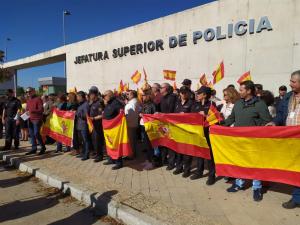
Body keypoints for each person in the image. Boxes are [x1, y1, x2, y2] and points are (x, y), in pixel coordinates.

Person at [222, 80, 272, 201]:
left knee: (255, 164)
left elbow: (267, 122)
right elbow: (231, 119)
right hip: (239, 141)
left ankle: (257, 187)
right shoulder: (238, 103)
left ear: (249, 91)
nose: (239, 92)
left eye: (241, 90)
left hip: (255, 141)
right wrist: (219, 125)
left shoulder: (260, 104)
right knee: (240, 163)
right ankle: (239, 183)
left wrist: (257, 128)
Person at [267, 70, 300, 209]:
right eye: (290, 81)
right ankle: (297, 197)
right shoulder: (287, 97)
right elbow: (281, 115)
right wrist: (274, 122)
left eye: (293, 81)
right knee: (295, 168)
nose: (290, 83)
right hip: (291, 140)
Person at [188, 86, 217, 185]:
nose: (197, 95)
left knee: (209, 155)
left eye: (199, 93)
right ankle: (199, 172)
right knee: (199, 152)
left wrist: (205, 115)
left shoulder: (212, 105)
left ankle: (211, 175)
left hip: (208, 133)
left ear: (204, 95)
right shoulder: (195, 105)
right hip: (198, 133)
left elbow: (216, 120)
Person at [173, 86, 194, 177]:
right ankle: (179, 167)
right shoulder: (177, 103)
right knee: (179, 150)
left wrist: (185, 115)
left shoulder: (191, 103)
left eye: (185, 92)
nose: (184, 94)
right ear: (180, 93)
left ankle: (187, 169)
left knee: (187, 152)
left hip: (187, 131)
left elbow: (194, 117)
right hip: (178, 130)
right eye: (182, 92)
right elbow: (173, 115)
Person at [102, 90, 124, 170]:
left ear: (109, 95)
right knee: (109, 144)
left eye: (105, 96)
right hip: (108, 128)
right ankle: (111, 159)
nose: (104, 97)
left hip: (114, 128)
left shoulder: (117, 103)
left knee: (115, 145)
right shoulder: (108, 103)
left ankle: (119, 162)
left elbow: (121, 114)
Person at [159, 83, 178, 169]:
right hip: (164, 123)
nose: (160, 89)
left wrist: (161, 114)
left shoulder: (172, 97)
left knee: (171, 144)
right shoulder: (163, 98)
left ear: (166, 88)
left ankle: (172, 162)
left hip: (171, 124)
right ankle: (165, 160)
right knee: (165, 143)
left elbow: (170, 112)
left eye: (161, 87)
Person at [139, 88, 157, 170]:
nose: (142, 97)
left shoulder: (152, 105)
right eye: (142, 95)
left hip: (149, 127)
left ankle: (152, 162)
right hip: (143, 126)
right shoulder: (144, 104)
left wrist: (144, 115)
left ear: (148, 96)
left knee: (150, 145)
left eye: (143, 96)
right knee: (146, 145)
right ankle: (148, 160)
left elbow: (154, 117)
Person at [25, 87, 46, 155]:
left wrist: (31, 111)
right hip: (29, 119)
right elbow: (27, 110)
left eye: (29, 91)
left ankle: (43, 147)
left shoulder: (38, 99)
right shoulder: (28, 100)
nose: (28, 93)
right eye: (27, 92)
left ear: (33, 91)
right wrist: (25, 113)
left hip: (37, 119)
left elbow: (41, 110)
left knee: (36, 133)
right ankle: (34, 149)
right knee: (31, 135)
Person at [88, 86, 105, 163]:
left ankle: (100, 156)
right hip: (92, 125)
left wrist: (94, 118)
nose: (90, 95)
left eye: (91, 94)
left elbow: (102, 115)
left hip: (98, 125)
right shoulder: (91, 103)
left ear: (95, 94)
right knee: (94, 140)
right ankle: (96, 153)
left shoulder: (99, 103)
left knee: (98, 141)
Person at [124, 90, 140, 158]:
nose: (127, 96)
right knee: (132, 140)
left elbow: (131, 114)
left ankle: (131, 155)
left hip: (131, 124)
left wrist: (125, 121)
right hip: (132, 123)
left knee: (131, 140)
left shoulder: (133, 103)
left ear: (132, 95)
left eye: (128, 94)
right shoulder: (132, 102)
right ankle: (132, 153)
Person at [76, 91, 90, 161]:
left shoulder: (86, 104)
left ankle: (86, 154)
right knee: (81, 141)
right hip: (79, 125)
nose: (77, 98)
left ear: (82, 97)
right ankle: (83, 152)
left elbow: (86, 115)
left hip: (84, 125)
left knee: (85, 140)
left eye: (78, 97)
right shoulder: (80, 104)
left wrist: (78, 114)